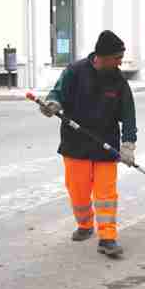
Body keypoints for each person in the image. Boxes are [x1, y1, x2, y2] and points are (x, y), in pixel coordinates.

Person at [39, 30, 137, 257]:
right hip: (75, 144)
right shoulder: (74, 72)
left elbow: (128, 115)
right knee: (78, 191)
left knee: (106, 194)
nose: (120, 62)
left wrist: (128, 144)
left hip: (106, 146)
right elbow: (57, 94)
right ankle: (84, 225)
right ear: (101, 57)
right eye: (117, 58)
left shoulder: (119, 80)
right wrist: (52, 105)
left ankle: (108, 237)